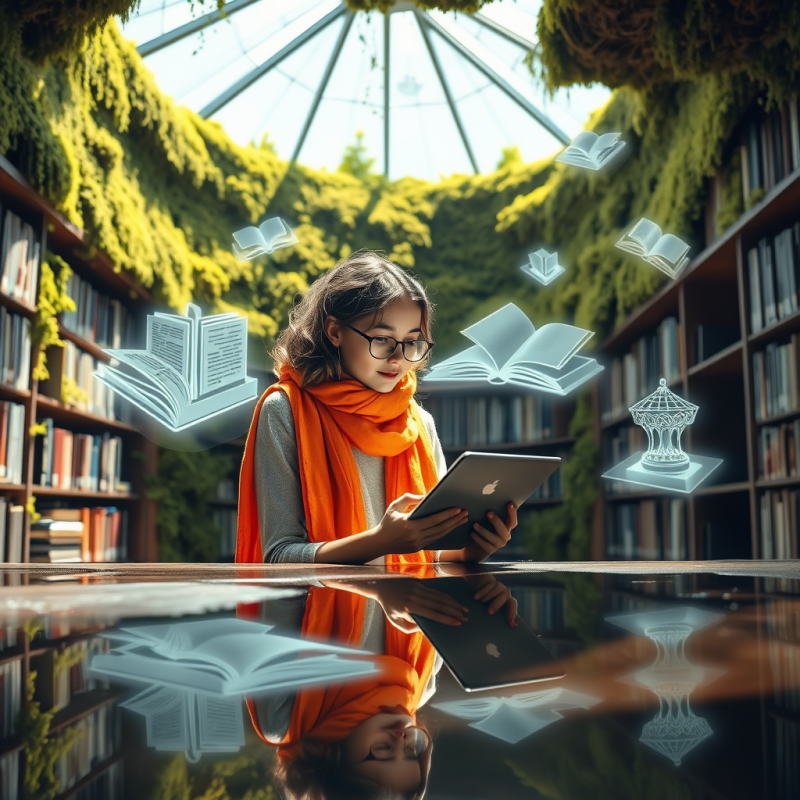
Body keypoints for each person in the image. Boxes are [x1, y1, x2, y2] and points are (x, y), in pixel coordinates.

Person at [236, 250, 518, 566]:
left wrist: (469, 552)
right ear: (335, 331)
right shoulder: (283, 410)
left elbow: (431, 553)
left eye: (412, 342)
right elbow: (277, 556)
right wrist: (380, 543)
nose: (398, 358)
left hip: (407, 611)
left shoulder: (418, 423)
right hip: (322, 611)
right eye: (382, 339)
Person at [243, 572, 518, 800]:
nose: (400, 735)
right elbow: (437, 573)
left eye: (382, 751)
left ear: (332, 761)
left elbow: (281, 572)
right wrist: (474, 585)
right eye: (410, 750)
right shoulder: (421, 686)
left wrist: (375, 585)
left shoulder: (284, 720)